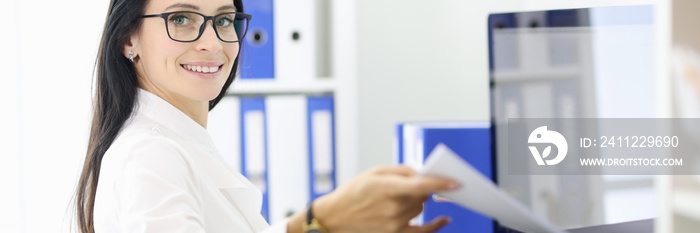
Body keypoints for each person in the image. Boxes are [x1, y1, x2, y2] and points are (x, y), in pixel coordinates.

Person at [74, 0, 459, 232]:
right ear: (128, 39)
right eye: (181, 19)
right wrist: (316, 222)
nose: (211, 42)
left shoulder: (180, 145)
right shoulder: (150, 155)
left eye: (224, 20)